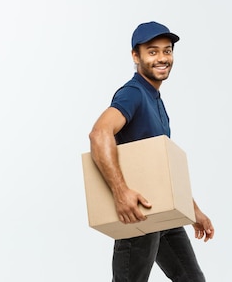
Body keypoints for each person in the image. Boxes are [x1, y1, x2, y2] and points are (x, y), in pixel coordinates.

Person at [88, 21, 215, 282]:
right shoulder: (133, 93)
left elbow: (162, 168)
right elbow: (99, 134)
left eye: (167, 51)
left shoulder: (155, 100)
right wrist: (121, 193)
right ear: (136, 56)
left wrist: (193, 211)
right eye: (153, 51)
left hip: (163, 213)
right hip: (139, 215)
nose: (162, 58)